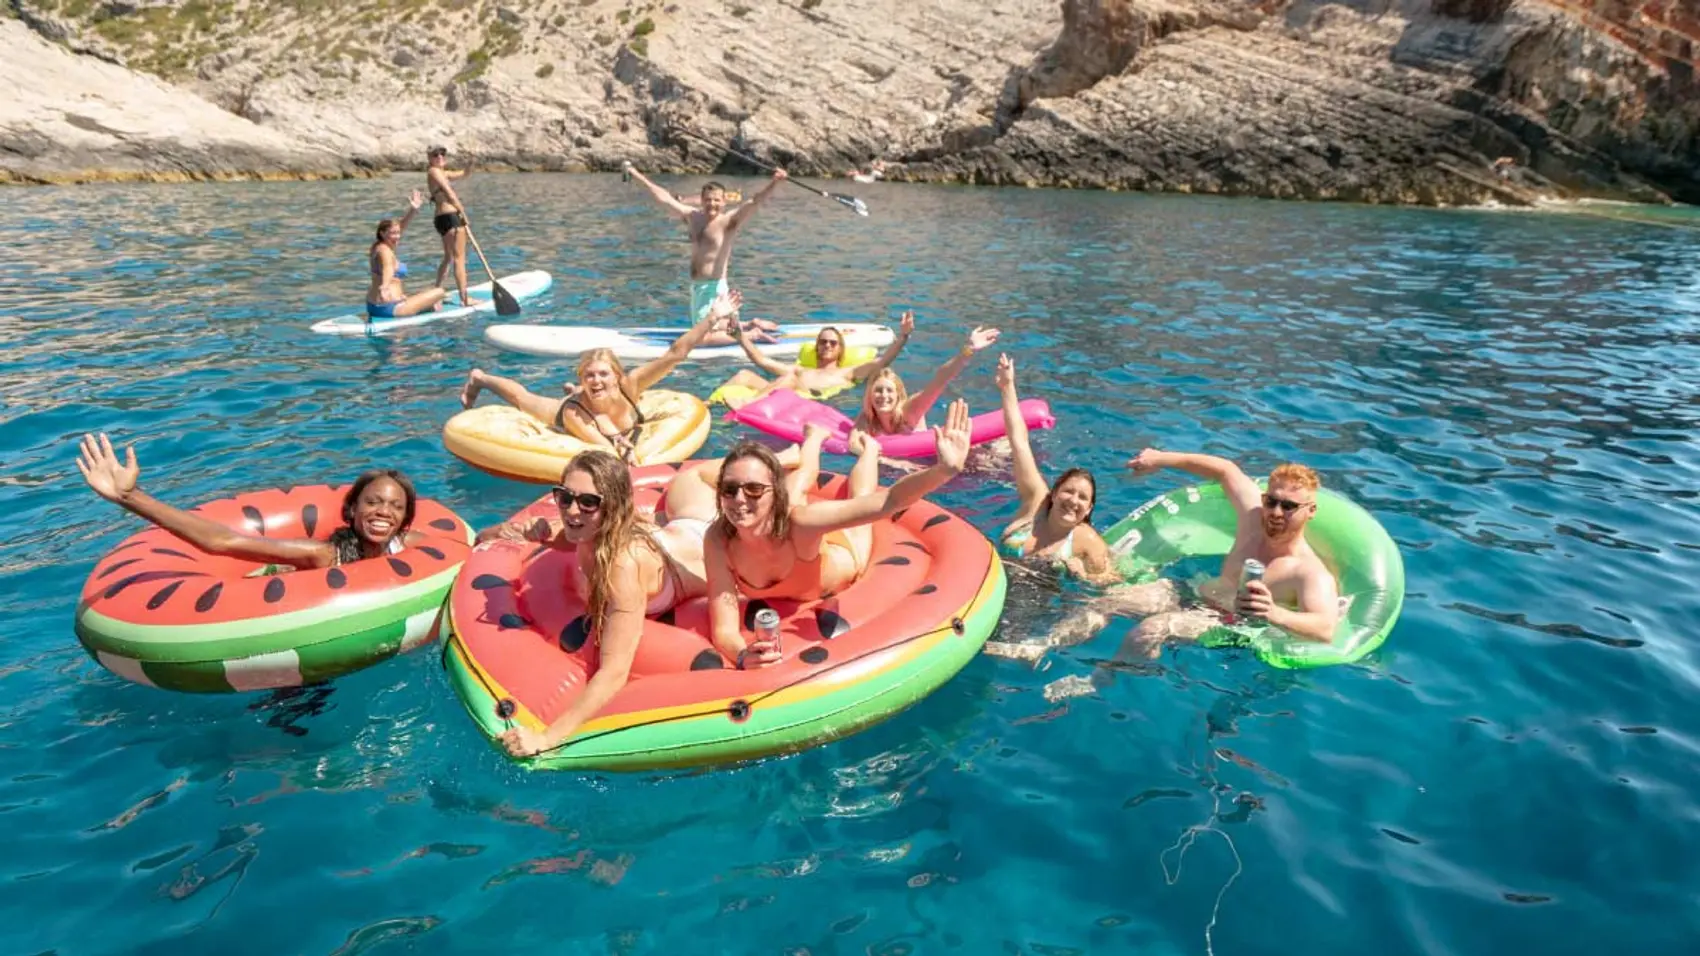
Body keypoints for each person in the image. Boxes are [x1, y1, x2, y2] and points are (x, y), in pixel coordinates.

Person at [484, 431, 833, 757]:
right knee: (690, 480)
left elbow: (614, 673)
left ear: (613, 507)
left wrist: (545, 738)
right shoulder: (581, 530)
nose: (572, 510)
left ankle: (808, 446)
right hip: (678, 528)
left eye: (588, 502)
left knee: (795, 491)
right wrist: (507, 532)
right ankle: (784, 457)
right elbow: (514, 535)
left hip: (697, 543)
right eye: (565, 497)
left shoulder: (622, 569)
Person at [704, 400, 974, 669]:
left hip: (846, 554)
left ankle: (869, 450)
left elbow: (888, 501)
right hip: (787, 521)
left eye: (753, 489)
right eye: (729, 489)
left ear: (774, 492)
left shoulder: (799, 523)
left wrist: (943, 471)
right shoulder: (718, 540)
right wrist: (742, 656)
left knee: (862, 496)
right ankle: (813, 438)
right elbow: (724, 629)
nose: (739, 499)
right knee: (801, 478)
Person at [458, 291, 741, 461]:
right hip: (572, 412)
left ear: (617, 376)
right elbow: (605, 449)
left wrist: (713, 317)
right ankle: (481, 378)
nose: (596, 380)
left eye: (603, 374)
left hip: (591, 406)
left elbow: (675, 354)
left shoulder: (631, 385)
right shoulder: (574, 413)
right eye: (589, 376)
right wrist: (622, 443)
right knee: (522, 398)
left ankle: (568, 387)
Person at [75, 432, 423, 570]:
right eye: (373, 502)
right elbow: (223, 541)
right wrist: (130, 497)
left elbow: (464, 549)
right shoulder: (323, 555)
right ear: (352, 510)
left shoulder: (408, 545)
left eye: (395, 506)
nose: (383, 512)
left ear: (405, 519)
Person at [990, 354, 1115, 579]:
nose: (1074, 500)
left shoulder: (1087, 541)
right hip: (995, 585)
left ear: (1088, 509)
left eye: (1083, 497)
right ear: (1055, 493)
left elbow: (1110, 582)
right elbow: (1019, 443)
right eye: (1069, 491)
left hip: (1042, 607)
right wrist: (1007, 387)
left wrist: (1084, 578)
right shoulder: (1035, 503)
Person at [623, 162, 787, 324]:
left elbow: (754, 202)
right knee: (706, 332)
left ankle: (753, 333)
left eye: (716, 200)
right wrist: (635, 173)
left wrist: (775, 182)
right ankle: (751, 325)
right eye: (708, 200)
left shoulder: (728, 222)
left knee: (702, 336)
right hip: (697, 289)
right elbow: (664, 198)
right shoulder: (692, 217)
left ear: (724, 201)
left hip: (714, 288)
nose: (712, 204)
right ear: (701, 200)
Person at [713, 314, 915, 409]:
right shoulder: (800, 369)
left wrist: (903, 336)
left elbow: (883, 362)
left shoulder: (848, 372)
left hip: (810, 400)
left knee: (789, 378)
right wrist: (740, 337)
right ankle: (709, 404)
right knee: (744, 375)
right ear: (817, 346)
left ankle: (748, 405)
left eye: (832, 343)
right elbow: (761, 360)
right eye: (823, 342)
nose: (827, 345)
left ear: (839, 349)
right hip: (788, 388)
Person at [852, 325, 999, 437]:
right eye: (878, 390)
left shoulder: (910, 410)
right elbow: (854, 442)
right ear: (869, 395)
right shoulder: (868, 418)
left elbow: (940, 380)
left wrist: (969, 350)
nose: (884, 395)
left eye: (889, 390)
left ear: (898, 395)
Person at [366, 189, 447, 322]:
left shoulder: (379, 246)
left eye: (398, 233)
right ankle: (427, 307)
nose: (397, 236)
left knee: (427, 291)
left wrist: (413, 210)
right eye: (393, 234)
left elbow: (400, 226)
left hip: (375, 305)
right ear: (382, 233)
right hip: (390, 308)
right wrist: (384, 287)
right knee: (440, 292)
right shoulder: (384, 251)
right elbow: (388, 268)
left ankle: (425, 306)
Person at [425, 145, 474, 309]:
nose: (440, 157)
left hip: (441, 219)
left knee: (448, 258)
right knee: (460, 259)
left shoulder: (442, 173)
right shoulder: (434, 172)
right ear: (429, 158)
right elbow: (449, 193)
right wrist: (462, 212)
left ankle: (436, 295)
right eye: (435, 155)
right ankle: (464, 299)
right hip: (451, 217)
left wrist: (470, 162)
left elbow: (464, 174)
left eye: (442, 155)